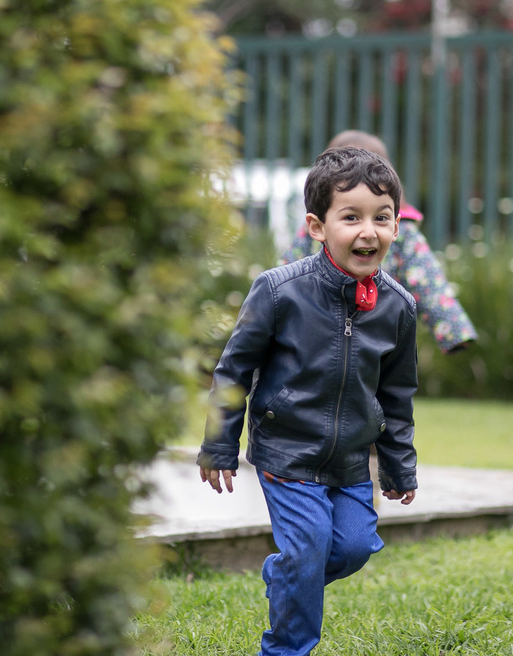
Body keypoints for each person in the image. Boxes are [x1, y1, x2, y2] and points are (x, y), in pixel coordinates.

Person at [197, 146, 418, 656]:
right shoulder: (279, 292)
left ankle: (287, 573)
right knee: (310, 545)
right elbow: (234, 369)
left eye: (382, 218)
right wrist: (219, 446)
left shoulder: (399, 307)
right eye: (352, 217)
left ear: (397, 227)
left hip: (349, 463)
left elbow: (397, 395)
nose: (369, 231)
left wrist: (399, 467)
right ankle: (286, 649)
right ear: (318, 227)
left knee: (355, 547)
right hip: (287, 452)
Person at [282, 130, 476, 354]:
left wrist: (454, 330)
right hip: (320, 323)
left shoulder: (403, 231)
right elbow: (288, 272)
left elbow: (428, 280)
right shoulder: (315, 225)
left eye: (381, 218)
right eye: (351, 217)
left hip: (376, 322)